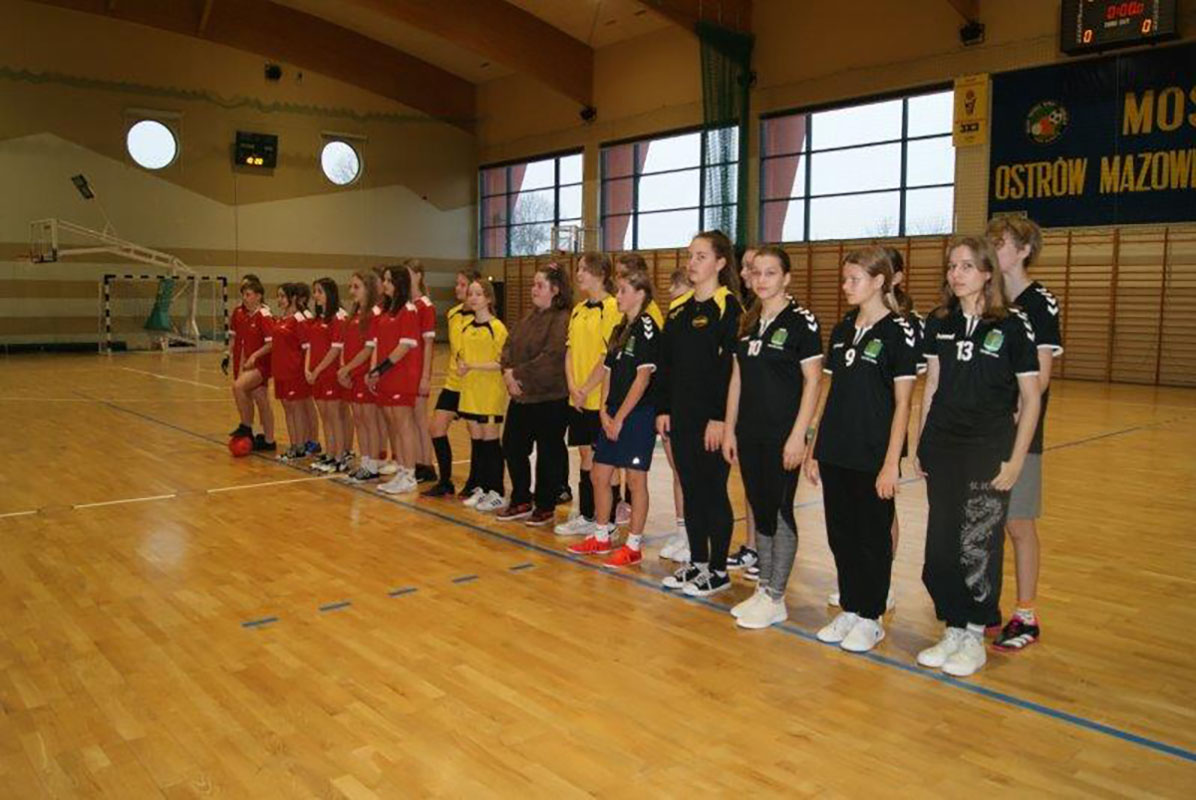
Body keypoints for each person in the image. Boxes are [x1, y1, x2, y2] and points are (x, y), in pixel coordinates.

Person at [915, 235, 1042, 678]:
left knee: (978, 545)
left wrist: (1016, 459)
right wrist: (922, 442)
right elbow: (932, 385)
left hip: (989, 448)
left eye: (966, 266)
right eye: (952, 266)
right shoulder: (940, 322)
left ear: (988, 272)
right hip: (943, 446)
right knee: (940, 549)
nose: (956, 274)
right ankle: (952, 626)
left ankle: (973, 633)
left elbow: (1031, 398)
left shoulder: (1013, 324)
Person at [804, 247, 918, 651]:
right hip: (836, 448)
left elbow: (903, 403)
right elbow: (830, 392)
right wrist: (814, 447)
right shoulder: (842, 330)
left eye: (854, 279)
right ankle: (851, 608)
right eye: (845, 278)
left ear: (879, 281)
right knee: (842, 534)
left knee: (872, 537)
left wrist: (890, 464)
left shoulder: (899, 331)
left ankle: (871, 616)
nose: (846, 286)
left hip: (873, 452)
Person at [723, 246, 822, 628]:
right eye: (756, 273)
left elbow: (813, 382)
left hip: (783, 434)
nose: (761, 280)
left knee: (779, 510)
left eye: (770, 273)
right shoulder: (748, 321)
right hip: (750, 432)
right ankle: (764, 588)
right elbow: (737, 379)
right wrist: (730, 428)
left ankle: (777, 596)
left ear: (786, 278)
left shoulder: (801, 322)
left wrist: (800, 435)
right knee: (760, 507)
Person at [989, 215, 1062, 651]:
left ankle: (1026, 614)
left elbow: (1041, 377)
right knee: (987, 521)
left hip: (1019, 432)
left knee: (1018, 522)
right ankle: (987, 607)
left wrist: (1014, 419)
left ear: (1023, 251)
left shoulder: (1039, 302)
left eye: (1001, 243)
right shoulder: (989, 298)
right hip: (985, 430)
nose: (993, 249)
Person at [656, 230, 743, 597]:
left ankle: (719, 570)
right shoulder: (679, 309)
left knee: (712, 491)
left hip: (713, 420)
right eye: (690, 255)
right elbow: (666, 364)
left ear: (720, 263)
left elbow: (730, 370)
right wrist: (663, 408)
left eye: (701, 256)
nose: (692, 262)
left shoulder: (730, 308)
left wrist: (720, 419)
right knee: (691, 489)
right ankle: (699, 561)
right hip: (682, 417)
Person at [567, 268, 659, 567]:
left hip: (637, 415)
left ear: (640, 294)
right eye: (617, 290)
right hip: (612, 413)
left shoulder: (647, 327)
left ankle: (633, 545)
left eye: (623, 291)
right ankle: (601, 536)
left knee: (635, 480)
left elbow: (642, 379)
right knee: (599, 475)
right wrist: (604, 410)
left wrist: (619, 417)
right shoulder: (620, 329)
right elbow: (608, 371)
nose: (617, 296)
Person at [497, 264, 572, 526]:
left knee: (548, 453)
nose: (534, 290)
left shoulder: (562, 319)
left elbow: (552, 358)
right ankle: (521, 498)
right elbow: (507, 347)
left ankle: (545, 505)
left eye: (540, 285)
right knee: (512, 445)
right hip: (522, 397)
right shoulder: (527, 319)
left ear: (555, 289)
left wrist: (517, 374)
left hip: (550, 398)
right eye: (533, 284)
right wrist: (508, 373)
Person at [556, 253, 620, 538]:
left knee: (606, 461)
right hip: (578, 397)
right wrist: (573, 386)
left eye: (584, 269)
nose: (578, 274)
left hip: (599, 398)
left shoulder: (613, 307)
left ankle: (610, 520)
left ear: (601, 274)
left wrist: (586, 388)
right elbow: (570, 351)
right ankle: (587, 515)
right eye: (578, 269)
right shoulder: (579, 309)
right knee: (585, 456)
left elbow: (608, 356)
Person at [424, 270, 481, 498]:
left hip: (472, 384)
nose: (457, 288)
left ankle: (474, 481)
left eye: (462, 284)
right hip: (452, 383)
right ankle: (445, 481)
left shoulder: (481, 317)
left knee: (475, 433)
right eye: (457, 284)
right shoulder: (452, 314)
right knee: (436, 428)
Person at [367, 266, 423, 495]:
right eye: (385, 280)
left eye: (389, 280)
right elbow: (378, 344)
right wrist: (373, 371)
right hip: (386, 376)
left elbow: (404, 347)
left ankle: (410, 475)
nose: (385, 284)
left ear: (399, 284)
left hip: (402, 376)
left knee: (404, 425)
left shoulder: (408, 310)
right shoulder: (385, 312)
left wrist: (380, 369)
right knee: (393, 424)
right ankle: (401, 470)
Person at [457, 278, 508, 513]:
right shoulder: (466, 327)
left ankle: (496, 491)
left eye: (478, 294)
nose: (473, 298)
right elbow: (461, 355)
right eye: (471, 294)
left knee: (490, 442)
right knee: (477, 442)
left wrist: (473, 366)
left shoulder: (497, 327)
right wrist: (461, 365)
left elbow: (501, 362)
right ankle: (481, 487)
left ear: (488, 298)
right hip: (470, 392)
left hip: (489, 393)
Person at [728, 245, 760, 578]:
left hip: (773, 422)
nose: (744, 273)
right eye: (746, 267)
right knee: (751, 487)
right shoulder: (748, 314)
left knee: (771, 496)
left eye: (750, 266)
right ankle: (752, 546)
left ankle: (768, 553)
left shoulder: (790, 318)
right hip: (748, 417)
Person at [657, 268, 691, 563]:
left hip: (693, 410)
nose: (670, 292)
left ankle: (695, 534)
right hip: (673, 407)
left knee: (689, 474)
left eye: (676, 286)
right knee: (678, 472)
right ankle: (683, 531)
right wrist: (664, 408)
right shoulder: (673, 319)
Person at [337, 271, 384, 482]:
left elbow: (369, 349)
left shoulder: (374, 314)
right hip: (353, 376)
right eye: (351, 287)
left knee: (369, 420)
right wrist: (344, 369)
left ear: (369, 288)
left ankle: (373, 465)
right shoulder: (354, 315)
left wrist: (347, 368)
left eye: (356, 287)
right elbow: (346, 345)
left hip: (365, 375)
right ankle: (365, 462)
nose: (351, 291)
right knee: (359, 420)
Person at [304, 277, 350, 473]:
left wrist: (317, 370)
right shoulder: (317, 319)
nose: (316, 295)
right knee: (325, 417)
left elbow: (335, 349)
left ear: (330, 293)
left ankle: (340, 457)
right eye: (314, 291)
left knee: (334, 417)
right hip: (316, 376)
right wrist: (307, 369)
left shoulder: (338, 318)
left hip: (330, 374)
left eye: (320, 291)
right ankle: (330, 454)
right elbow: (310, 347)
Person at [226, 274, 276, 452]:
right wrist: (228, 355)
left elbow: (271, 343)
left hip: (261, 365)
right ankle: (269, 440)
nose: (244, 298)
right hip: (246, 365)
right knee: (261, 400)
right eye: (243, 294)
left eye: (248, 294)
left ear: (258, 295)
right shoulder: (242, 314)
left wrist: (254, 356)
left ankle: (246, 426)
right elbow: (237, 339)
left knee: (238, 387)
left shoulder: (264, 315)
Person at [266, 283, 313, 460]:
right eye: (278, 296)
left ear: (292, 298)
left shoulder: (298, 319)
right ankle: (293, 445)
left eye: (283, 296)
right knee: (288, 409)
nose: (279, 299)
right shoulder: (280, 319)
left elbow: (308, 347)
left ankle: (300, 446)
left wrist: (306, 369)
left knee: (296, 409)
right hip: (280, 372)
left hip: (295, 372)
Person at [407, 259, 439, 484]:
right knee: (410, 419)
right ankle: (417, 463)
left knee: (420, 419)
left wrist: (425, 376)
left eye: (408, 273)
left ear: (418, 275)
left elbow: (428, 344)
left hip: (418, 371)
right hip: (406, 371)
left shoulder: (425, 306)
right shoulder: (408, 305)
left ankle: (427, 465)